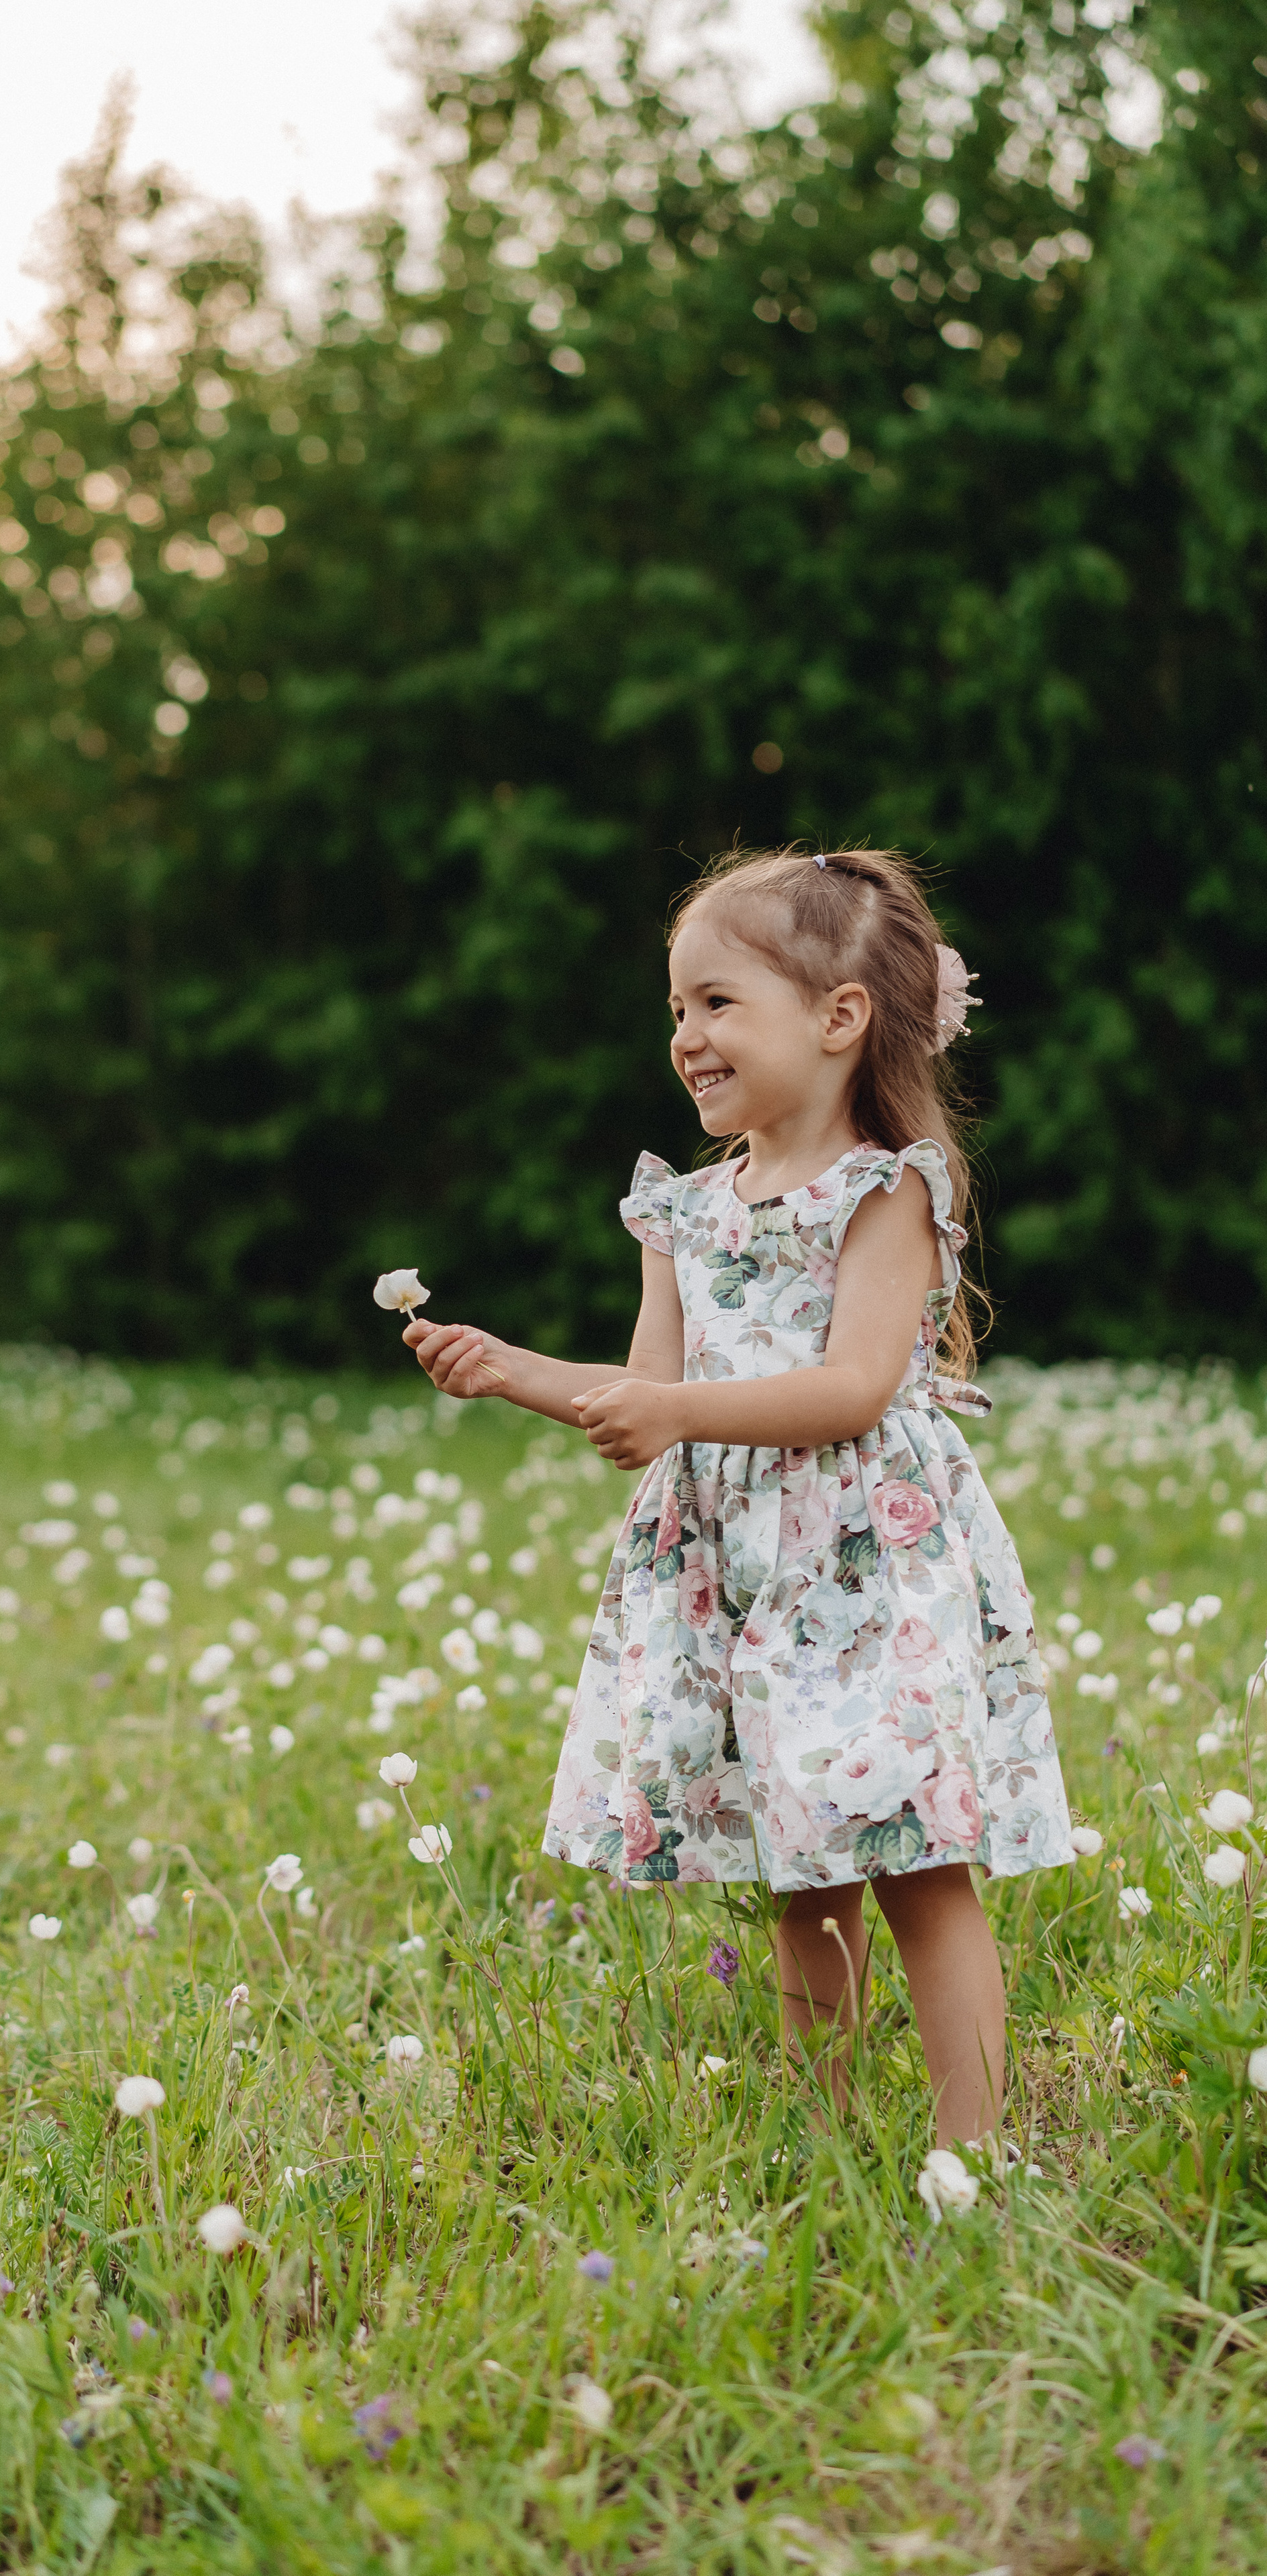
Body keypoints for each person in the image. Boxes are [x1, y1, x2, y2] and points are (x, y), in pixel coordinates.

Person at [405, 845, 1072, 2148]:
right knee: (797, 1866)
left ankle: (969, 2150)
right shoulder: (681, 1211)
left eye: (717, 1002)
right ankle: (819, 2136)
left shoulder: (885, 1188)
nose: (686, 1036)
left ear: (837, 1019)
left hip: (864, 1565)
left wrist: (674, 1413)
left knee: (916, 1868)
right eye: (675, 1010)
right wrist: (508, 1372)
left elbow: (852, 1386)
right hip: (743, 1577)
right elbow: (647, 1392)